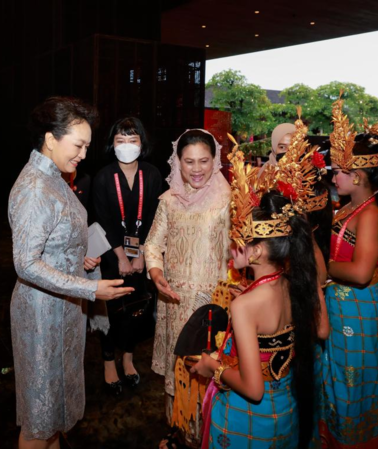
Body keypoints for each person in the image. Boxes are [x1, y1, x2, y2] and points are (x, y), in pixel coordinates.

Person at [8, 97, 134, 449]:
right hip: (41, 313)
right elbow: (26, 263)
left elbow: (54, 243)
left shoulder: (55, 179)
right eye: (78, 145)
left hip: (63, 307)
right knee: (40, 418)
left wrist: (80, 259)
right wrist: (90, 289)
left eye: (87, 146)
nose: (82, 153)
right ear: (50, 139)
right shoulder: (36, 187)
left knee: (55, 413)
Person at [192, 133, 330, 449]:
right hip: (285, 408)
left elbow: (252, 388)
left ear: (254, 252)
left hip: (248, 418)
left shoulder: (246, 305)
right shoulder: (294, 282)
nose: (230, 248)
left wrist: (212, 366)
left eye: (236, 241)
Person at [319, 98, 378, 448]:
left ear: (356, 176)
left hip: (360, 309)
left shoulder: (370, 216)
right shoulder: (347, 208)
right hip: (341, 309)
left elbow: (360, 271)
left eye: (337, 171)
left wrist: (321, 267)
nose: (332, 177)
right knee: (336, 380)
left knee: (353, 385)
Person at [144, 129, 231, 448]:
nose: (196, 169)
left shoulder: (228, 201)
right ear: (177, 162)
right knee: (178, 369)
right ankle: (179, 429)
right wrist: (155, 272)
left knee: (206, 368)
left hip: (212, 306)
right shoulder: (168, 201)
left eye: (204, 161)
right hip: (174, 300)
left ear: (215, 161)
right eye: (189, 161)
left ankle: (204, 435)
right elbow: (152, 243)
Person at [92, 117, 162, 395]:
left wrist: (142, 254)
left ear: (142, 144)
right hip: (111, 254)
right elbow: (103, 220)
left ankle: (128, 357)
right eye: (120, 140)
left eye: (132, 140)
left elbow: (156, 218)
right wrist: (121, 257)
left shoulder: (153, 174)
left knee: (138, 306)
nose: (126, 145)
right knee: (110, 309)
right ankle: (108, 360)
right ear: (112, 144)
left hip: (143, 253)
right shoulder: (103, 177)